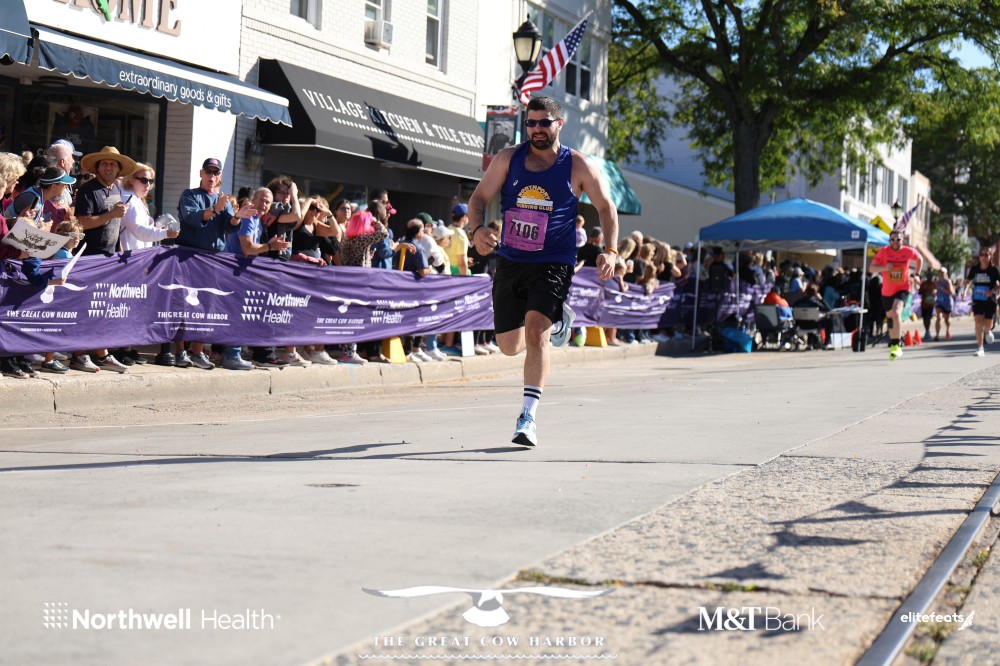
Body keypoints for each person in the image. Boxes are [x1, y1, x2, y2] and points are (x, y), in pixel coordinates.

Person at [466, 96, 618, 447]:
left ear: (559, 124)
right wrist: (477, 231)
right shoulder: (508, 158)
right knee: (509, 346)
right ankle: (554, 318)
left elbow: (606, 207)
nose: (536, 129)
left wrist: (611, 251)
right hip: (511, 260)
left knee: (537, 334)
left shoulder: (577, 165)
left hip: (553, 262)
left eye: (544, 123)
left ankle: (527, 417)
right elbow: (478, 198)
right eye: (531, 123)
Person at [176, 157, 246, 370]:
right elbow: (193, 218)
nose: (212, 176)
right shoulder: (190, 195)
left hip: (214, 258)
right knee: (184, 304)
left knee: (207, 305)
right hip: (189, 256)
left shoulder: (222, 200)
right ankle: (179, 351)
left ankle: (197, 351)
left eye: (216, 173)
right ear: (201, 173)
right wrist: (216, 209)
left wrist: (237, 216)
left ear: (219, 176)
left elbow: (230, 226)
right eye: (208, 172)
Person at [869, 231, 922, 360]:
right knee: (890, 318)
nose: (895, 242)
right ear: (889, 240)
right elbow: (872, 268)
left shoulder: (908, 251)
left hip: (903, 288)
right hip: (887, 291)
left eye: (898, 239)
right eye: (892, 239)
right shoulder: (883, 251)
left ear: (902, 240)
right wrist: (885, 268)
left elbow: (919, 259)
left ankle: (896, 345)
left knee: (896, 312)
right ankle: (893, 344)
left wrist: (917, 275)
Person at [963, 247, 1000, 357]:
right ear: (979, 257)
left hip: (990, 300)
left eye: (986, 255)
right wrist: (965, 292)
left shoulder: (994, 269)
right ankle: (980, 348)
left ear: (990, 257)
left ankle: (988, 331)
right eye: (982, 255)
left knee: (988, 324)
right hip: (977, 299)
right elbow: (968, 281)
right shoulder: (975, 269)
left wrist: (992, 291)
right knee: (978, 321)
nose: (984, 257)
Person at [934, 267, 955, 341]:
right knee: (938, 318)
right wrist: (934, 291)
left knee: (946, 320)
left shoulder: (947, 281)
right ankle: (937, 335)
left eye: (943, 273)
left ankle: (948, 329)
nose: (941, 274)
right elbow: (936, 289)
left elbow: (951, 292)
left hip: (947, 303)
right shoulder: (936, 282)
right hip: (939, 302)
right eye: (940, 272)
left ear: (946, 274)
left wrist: (942, 288)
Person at [917, 271, 937, 341]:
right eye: (929, 276)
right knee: (924, 318)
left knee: (929, 317)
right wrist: (925, 292)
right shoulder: (924, 284)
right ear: (927, 277)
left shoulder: (934, 284)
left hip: (930, 304)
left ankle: (927, 331)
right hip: (924, 303)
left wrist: (933, 293)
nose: (930, 278)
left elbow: (937, 291)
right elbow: (919, 292)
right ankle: (926, 330)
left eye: (931, 276)